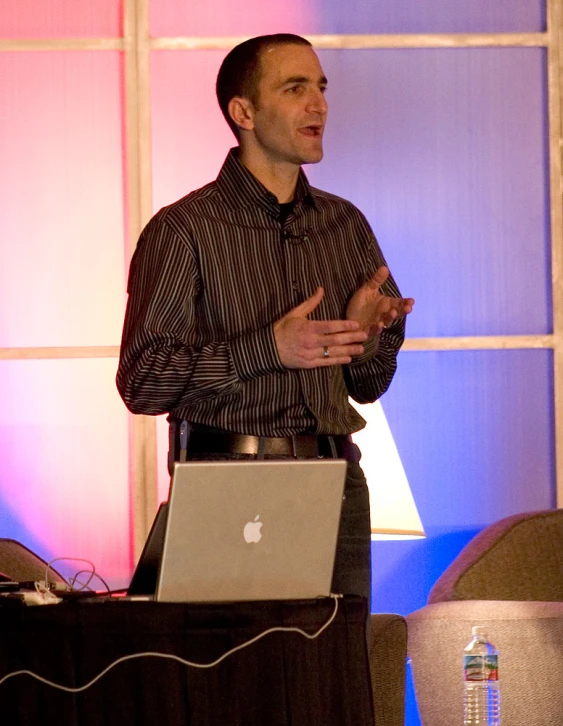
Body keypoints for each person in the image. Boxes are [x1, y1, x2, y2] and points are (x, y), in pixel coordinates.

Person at [116, 33, 414, 607]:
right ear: (243, 111)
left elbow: (368, 387)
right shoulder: (183, 229)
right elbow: (142, 382)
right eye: (295, 88)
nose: (319, 105)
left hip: (338, 483)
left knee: (337, 676)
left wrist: (363, 338)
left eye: (322, 88)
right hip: (229, 478)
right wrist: (266, 349)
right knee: (232, 682)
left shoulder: (344, 224)